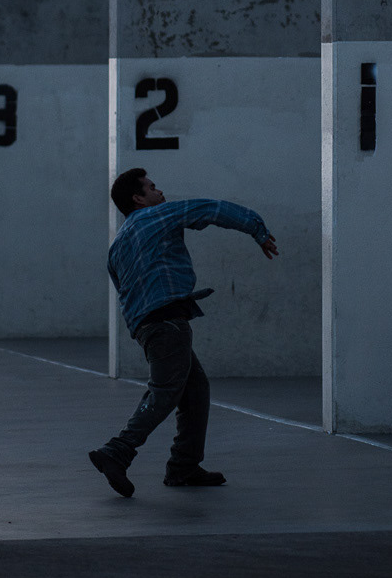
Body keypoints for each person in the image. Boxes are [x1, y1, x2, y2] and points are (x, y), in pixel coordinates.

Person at [88, 167, 278, 497]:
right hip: (168, 323)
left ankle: (183, 466)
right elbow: (212, 208)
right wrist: (257, 230)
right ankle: (118, 451)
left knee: (195, 390)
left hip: (147, 326)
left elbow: (122, 289)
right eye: (152, 187)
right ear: (138, 199)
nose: (160, 191)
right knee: (165, 392)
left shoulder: (117, 245)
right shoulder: (159, 215)